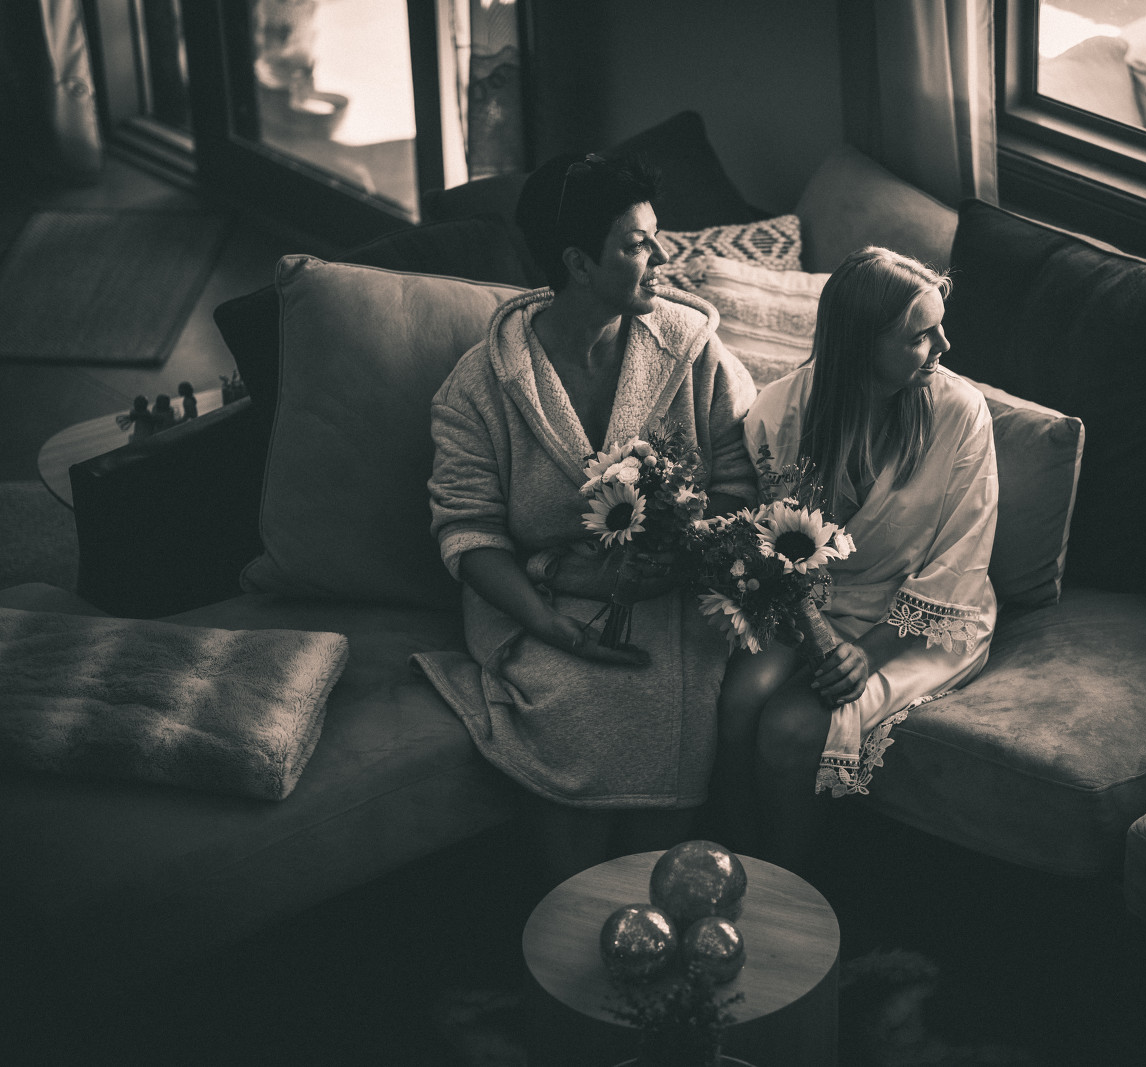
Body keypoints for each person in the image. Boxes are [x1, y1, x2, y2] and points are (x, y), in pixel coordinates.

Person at [411, 152, 759, 887]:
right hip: (543, 601)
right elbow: (469, 531)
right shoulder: (481, 386)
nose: (662, 257)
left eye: (656, 237)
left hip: (672, 599)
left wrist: (682, 551)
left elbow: (740, 481)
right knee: (566, 701)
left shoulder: (692, 349)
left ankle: (657, 905)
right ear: (577, 262)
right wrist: (549, 621)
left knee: (665, 695)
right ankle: (571, 916)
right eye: (637, 244)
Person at [715, 247, 999, 874]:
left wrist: (866, 652)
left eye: (940, 326)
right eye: (920, 336)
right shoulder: (780, 413)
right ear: (859, 345)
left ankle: (789, 884)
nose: (945, 345)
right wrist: (813, 627)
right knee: (737, 702)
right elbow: (767, 549)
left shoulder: (960, 414)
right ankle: (733, 865)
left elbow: (959, 562)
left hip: (918, 621)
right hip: (806, 607)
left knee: (791, 729)